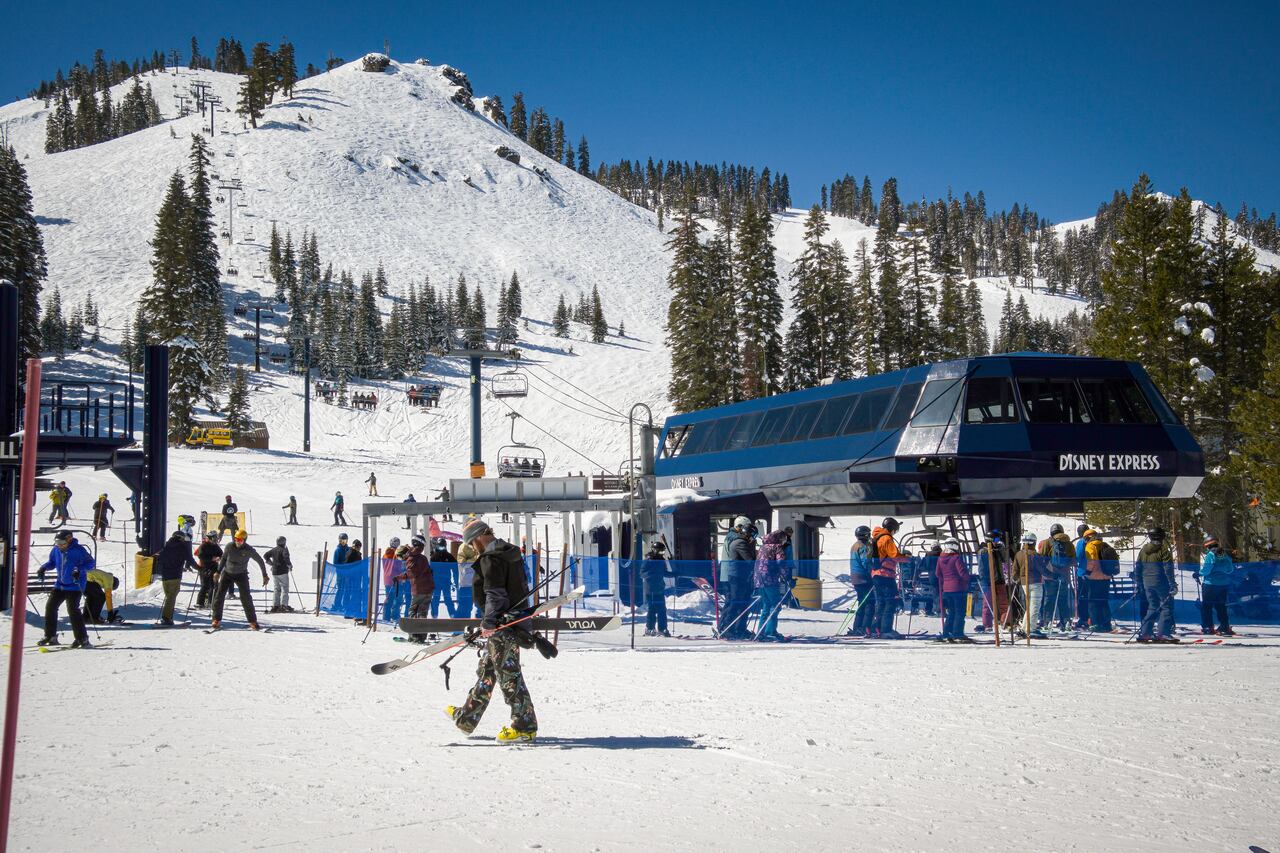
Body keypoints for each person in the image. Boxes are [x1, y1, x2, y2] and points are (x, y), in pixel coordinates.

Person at [446, 519, 538, 742]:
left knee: (509, 676)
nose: (471, 548)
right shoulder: (509, 552)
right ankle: (466, 717)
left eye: (470, 543)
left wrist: (488, 622)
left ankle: (524, 726)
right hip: (510, 620)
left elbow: (495, 594)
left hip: (502, 625)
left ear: (478, 538)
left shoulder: (491, 558)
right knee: (487, 671)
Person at [36, 530, 93, 647]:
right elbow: (52, 562)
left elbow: (91, 563)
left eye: (62, 543)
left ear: (69, 540)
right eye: (57, 543)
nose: (60, 545)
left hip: (75, 585)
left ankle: (82, 638)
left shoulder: (79, 550)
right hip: (60, 585)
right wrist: (44, 568)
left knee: (73, 611)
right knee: (50, 607)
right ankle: (50, 635)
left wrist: (79, 570)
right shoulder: (56, 550)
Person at [212, 529, 268, 630]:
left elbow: (260, 561)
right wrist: (218, 572)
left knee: (246, 598)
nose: (237, 541)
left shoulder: (249, 550)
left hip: (241, 575)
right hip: (227, 573)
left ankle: (253, 621)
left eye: (240, 540)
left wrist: (265, 575)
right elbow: (224, 558)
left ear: (244, 541)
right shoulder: (229, 546)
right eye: (236, 539)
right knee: (219, 596)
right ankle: (216, 619)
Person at [1136, 527, 1179, 643]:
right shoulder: (1163, 550)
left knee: (1152, 607)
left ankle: (1145, 633)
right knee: (1166, 607)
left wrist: (1139, 582)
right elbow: (1168, 568)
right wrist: (1172, 583)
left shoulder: (1143, 550)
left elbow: (1138, 567)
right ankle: (1163, 633)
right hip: (1161, 582)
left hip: (1147, 583)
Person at [719, 517, 757, 639]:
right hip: (735, 575)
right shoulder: (738, 541)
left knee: (740, 603)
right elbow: (749, 559)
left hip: (737, 575)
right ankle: (726, 628)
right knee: (734, 602)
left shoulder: (735, 538)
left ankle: (737, 628)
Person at [753, 529, 793, 642]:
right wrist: (787, 577)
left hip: (759, 580)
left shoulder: (763, 547)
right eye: (784, 538)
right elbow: (781, 563)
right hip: (770, 579)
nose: (784, 541)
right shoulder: (777, 547)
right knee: (776, 605)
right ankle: (770, 631)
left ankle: (762, 631)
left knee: (766, 605)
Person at [392, 535, 434, 641]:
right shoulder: (422, 558)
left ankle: (414, 635)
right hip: (428, 589)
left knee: (413, 611)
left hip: (419, 590)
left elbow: (412, 574)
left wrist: (399, 577)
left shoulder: (411, 558)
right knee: (422, 612)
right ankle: (421, 636)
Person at [870, 517, 906, 639]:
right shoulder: (886, 538)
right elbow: (894, 555)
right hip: (886, 574)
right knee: (890, 602)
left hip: (876, 574)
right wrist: (907, 558)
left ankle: (876, 628)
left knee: (881, 602)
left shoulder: (877, 537)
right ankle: (886, 630)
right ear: (892, 528)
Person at [1036, 523, 1075, 633]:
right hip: (1064, 576)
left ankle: (1047, 622)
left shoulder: (1046, 542)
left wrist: (1044, 571)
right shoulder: (1069, 544)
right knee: (1063, 600)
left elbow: (1041, 558)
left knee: (1049, 599)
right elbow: (1073, 560)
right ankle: (1066, 622)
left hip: (1050, 576)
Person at [154, 529, 197, 625]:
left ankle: (168, 617)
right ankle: (166, 618)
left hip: (165, 576)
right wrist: (200, 568)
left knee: (169, 596)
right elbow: (189, 559)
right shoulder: (182, 547)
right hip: (175, 576)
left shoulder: (166, 546)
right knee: (172, 597)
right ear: (181, 538)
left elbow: (159, 559)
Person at [936, 538, 972, 643]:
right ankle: (958, 633)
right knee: (960, 612)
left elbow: (938, 574)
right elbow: (962, 573)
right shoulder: (956, 558)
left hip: (946, 590)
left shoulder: (940, 558)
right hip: (958, 588)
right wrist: (968, 579)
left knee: (951, 612)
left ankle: (947, 632)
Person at [1009, 532, 1044, 637]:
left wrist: (1019, 580)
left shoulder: (1019, 554)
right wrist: (1054, 575)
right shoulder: (1034, 555)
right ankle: (1031, 629)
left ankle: (1025, 627)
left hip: (1024, 584)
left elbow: (1014, 571)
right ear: (1033, 542)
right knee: (1035, 606)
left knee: (1030, 606)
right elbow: (1042, 569)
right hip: (1035, 582)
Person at [1082, 528, 1118, 633]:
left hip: (1094, 578)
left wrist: (1087, 573)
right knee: (1104, 601)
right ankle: (1106, 624)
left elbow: (1091, 561)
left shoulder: (1090, 546)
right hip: (1106, 577)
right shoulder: (1105, 545)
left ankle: (1095, 623)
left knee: (1093, 601)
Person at [1199, 536, 1235, 636]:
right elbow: (1230, 569)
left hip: (1210, 584)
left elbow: (1207, 570)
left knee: (1207, 606)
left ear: (1208, 546)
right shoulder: (1224, 555)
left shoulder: (1210, 555)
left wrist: (1199, 573)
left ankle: (1208, 627)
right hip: (1223, 585)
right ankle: (1224, 626)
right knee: (1221, 606)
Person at [641, 540, 674, 637]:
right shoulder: (648, 560)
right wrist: (652, 574)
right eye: (661, 551)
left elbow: (664, 572)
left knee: (662, 610)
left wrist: (675, 573)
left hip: (659, 588)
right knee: (652, 609)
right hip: (650, 589)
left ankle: (662, 628)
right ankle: (649, 628)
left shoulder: (662, 560)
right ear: (655, 550)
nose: (662, 554)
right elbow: (642, 573)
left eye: (663, 552)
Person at [848, 525, 875, 637]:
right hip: (863, 578)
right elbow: (865, 562)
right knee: (870, 603)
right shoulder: (863, 546)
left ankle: (858, 627)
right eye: (869, 534)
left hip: (856, 578)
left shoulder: (855, 545)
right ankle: (865, 627)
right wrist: (872, 572)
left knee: (862, 603)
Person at [263, 536, 294, 613]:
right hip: (283, 571)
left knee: (276, 588)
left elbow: (265, 555)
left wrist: (271, 563)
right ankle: (284, 605)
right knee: (284, 588)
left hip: (275, 572)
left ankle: (275, 605)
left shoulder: (274, 549)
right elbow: (286, 557)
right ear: (284, 542)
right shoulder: (284, 549)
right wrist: (289, 565)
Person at [430, 537, 458, 617]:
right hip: (436, 582)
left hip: (446, 581)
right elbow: (429, 570)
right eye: (440, 547)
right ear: (437, 547)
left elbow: (455, 569)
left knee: (447, 598)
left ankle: (452, 614)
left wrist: (456, 582)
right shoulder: (434, 557)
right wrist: (429, 581)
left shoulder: (449, 556)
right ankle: (434, 614)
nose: (441, 549)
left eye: (443, 547)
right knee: (435, 599)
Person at [194, 531, 223, 609]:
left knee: (214, 585)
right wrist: (211, 558)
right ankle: (200, 602)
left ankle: (211, 602)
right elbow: (201, 556)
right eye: (214, 538)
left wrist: (219, 558)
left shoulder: (216, 546)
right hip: (204, 568)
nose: (216, 540)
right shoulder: (204, 546)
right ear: (210, 538)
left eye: (216, 538)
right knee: (205, 585)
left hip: (213, 567)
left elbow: (221, 554)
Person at [382, 537, 405, 622]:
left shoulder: (385, 554)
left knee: (389, 598)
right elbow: (399, 566)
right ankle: (395, 616)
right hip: (396, 579)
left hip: (387, 579)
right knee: (398, 598)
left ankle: (386, 616)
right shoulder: (397, 554)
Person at [1073, 523, 1091, 630]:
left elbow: (1078, 556)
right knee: (1093, 596)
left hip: (1083, 573)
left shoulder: (1081, 542)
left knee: (1082, 596)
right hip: (1096, 573)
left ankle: (1084, 618)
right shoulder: (1096, 541)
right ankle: (1093, 617)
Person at [456, 540, 479, 617]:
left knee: (481, 610)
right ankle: (459, 628)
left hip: (478, 584)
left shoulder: (481, 545)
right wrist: (473, 560)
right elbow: (462, 563)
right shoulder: (463, 547)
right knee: (464, 610)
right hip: (466, 584)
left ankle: (481, 626)